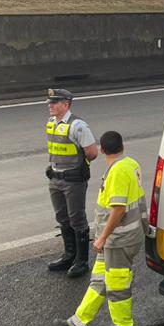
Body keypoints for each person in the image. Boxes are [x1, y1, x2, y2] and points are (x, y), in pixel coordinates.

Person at [58, 130, 145, 326]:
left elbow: (118, 210)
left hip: (118, 239)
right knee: (99, 279)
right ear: (122, 146)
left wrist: (101, 238)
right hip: (117, 239)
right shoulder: (130, 164)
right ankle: (78, 322)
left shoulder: (117, 172)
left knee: (117, 286)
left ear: (102, 149)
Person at [44, 88, 99, 278]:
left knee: (77, 218)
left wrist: (78, 167)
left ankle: (82, 261)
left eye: (55, 102)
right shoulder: (51, 123)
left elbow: (92, 152)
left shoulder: (78, 125)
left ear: (66, 104)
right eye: (50, 102)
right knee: (62, 218)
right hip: (55, 178)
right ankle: (69, 255)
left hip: (73, 180)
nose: (50, 105)